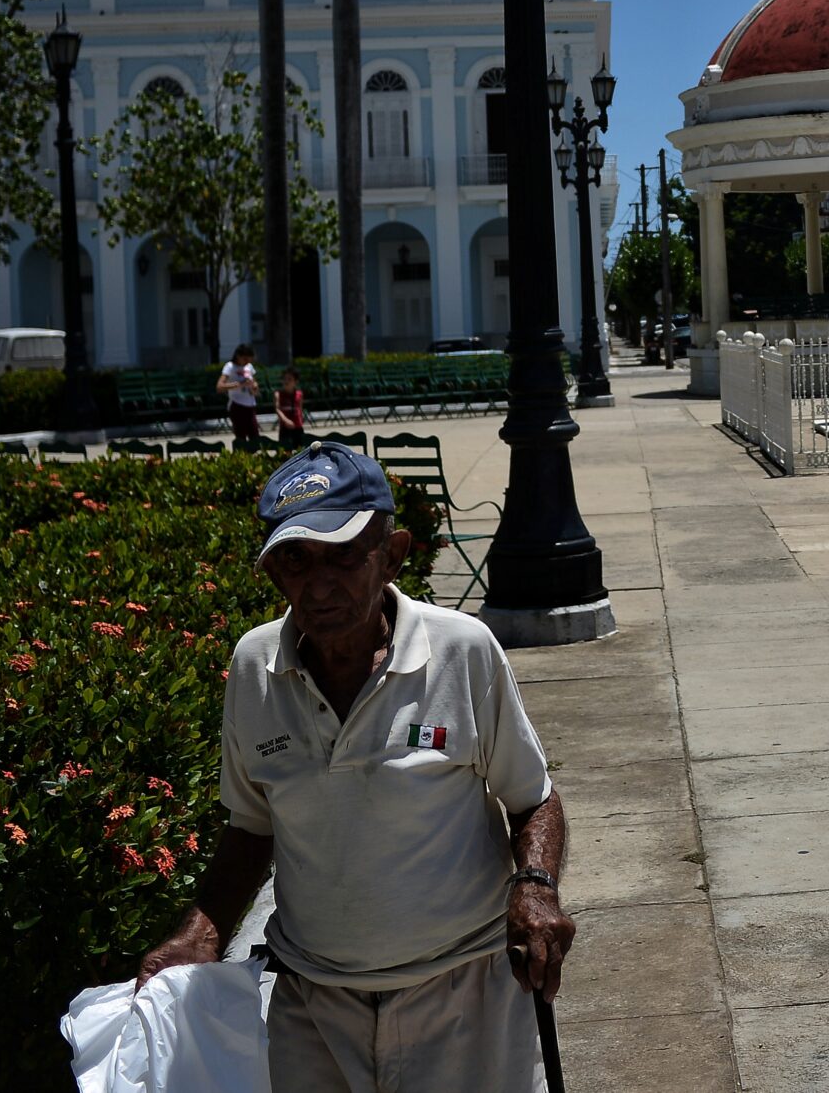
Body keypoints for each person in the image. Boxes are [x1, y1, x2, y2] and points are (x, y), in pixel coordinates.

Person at [134, 442, 571, 1090]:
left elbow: (533, 797)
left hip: (464, 994)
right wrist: (201, 932)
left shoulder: (462, 650)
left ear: (392, 554)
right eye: (295, 559)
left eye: (343, 556)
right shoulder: (254, 665)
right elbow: (251, 826)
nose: (318, 584)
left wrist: (534, 886)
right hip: (312, 1003)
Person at [218, 344, 259, 440]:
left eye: (249, 360)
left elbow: (254, 381)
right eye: (245, 359)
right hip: (237, 405)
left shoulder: (249, 367)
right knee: (241, 438)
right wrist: (240, 384)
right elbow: (220, 386)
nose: (247, 362)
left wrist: (254, 386)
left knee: (255, 437)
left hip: (250, 405)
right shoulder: (230, 367)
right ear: (238, 356)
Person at [272, 365, 310, 446]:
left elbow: (300, 408)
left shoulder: (299, 394)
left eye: (289, 379)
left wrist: (300, 420)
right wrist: (286, 420)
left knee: (300, 449)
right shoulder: (278, 394)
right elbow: (277, 409)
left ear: (296, 382)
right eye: (284, 379)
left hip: (297, 427)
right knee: (284, 449)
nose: (286, 381)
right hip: (285, 427)